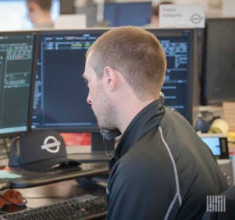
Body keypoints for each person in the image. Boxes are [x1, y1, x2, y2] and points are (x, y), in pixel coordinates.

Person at [82, 26, 229, 219]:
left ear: (110, 79)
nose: (89, 98)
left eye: (89, 82)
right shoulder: (176, 123)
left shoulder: (140, 168)